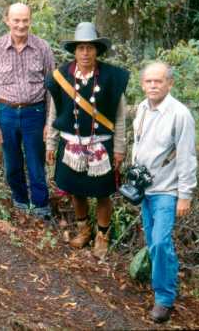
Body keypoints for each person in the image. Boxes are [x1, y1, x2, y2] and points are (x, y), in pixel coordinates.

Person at [46, 22, 129, 259]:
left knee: (103, 193)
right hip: (70, 145)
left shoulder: (113, 77)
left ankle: (102, 236)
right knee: (75, 190)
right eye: (81, 48)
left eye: (90, 48)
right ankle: (84, 230)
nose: (85, 53)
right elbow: (54, 112)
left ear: (97, 51)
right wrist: (51, 144)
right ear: (75, 50)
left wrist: (120, 148)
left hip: (101, 146)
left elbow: (120, 116)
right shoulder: (61, 76)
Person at [132, 62, 197, 323]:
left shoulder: (180, 114)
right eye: (148, 81)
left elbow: (187, 156)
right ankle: (159, 282)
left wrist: (185, 194)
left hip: (167, 191)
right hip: (145, 189)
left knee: (160, 242)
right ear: (142, 84)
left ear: (169, 84)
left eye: (158, 81)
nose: (153, 85)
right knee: (152, 242)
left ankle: (164, 299)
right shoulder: (141, 109)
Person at [0, 2, 55, 219]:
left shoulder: (43, 48)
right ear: (7, 20)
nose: (21, 25)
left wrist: (49, 124)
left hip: (35, 114)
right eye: (16, 20)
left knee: (36, 164)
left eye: (25, 20)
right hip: (6, 112)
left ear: (30, 20)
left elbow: (52, 89)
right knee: (12, 165)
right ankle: (21, 202)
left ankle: (41, 208)